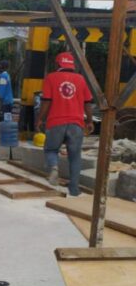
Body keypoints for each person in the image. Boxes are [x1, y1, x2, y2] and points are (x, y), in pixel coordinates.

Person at [35, 52, 94, 196]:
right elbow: (87, 103)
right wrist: (90, 121)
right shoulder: (80, 79)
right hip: (76, 123)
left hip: (56, 122)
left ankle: (54, 168)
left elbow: (46, 101)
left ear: (57, 64)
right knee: (75, 156)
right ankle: (74, 189)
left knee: (51, 150)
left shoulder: (51, 78)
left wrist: (40, 119)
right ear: (71, 65)